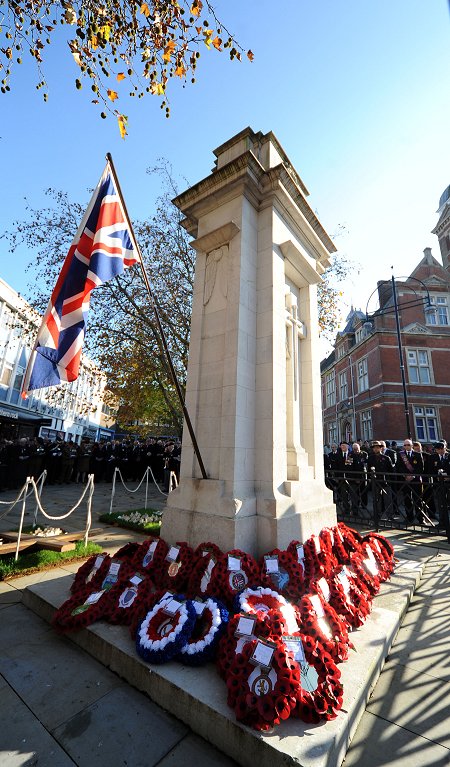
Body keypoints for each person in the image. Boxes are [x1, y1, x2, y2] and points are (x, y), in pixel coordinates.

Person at [396, 439, 426, 524]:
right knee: (407, 499)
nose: (406, 447)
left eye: (408, 445)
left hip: (415, 480)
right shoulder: (401, 455)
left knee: (418, 500)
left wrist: (412, 476)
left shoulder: (417, 454)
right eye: (405, 445)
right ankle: (409, 517)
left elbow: (421, 468)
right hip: (406, 480)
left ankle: (421, 518)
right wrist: (405, 475)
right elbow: (399, 466)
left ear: (412, 445)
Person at [367, 440, 394, 519]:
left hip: (385, 481)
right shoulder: (370, 458)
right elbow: (368, 469)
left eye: (377, 448)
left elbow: (391, 470)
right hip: (375, 481)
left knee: (388, 499)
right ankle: (377, 514)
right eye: (374, 448)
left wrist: (390, 481)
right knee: (376, 499)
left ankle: (390, 515)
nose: (376, 449)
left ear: (381, 448)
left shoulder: (386, 458)